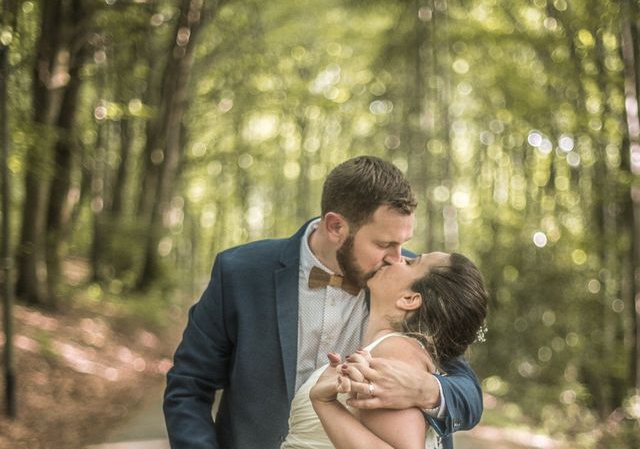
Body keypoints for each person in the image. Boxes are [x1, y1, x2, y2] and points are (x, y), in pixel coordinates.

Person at [163, 156, 483, 449]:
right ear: (335, 227)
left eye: (403, 243)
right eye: (384, 243)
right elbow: (189, 384)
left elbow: (467, 392)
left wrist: (425, 389)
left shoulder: (403, 283)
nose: (397, 257)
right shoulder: (241, 272)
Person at [282, 251, 488, 448]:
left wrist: (325, 404)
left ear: (409, 299)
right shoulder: (396, 348)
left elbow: (468, 391)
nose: (398, 257)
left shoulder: (397, 352)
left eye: (411, 262)